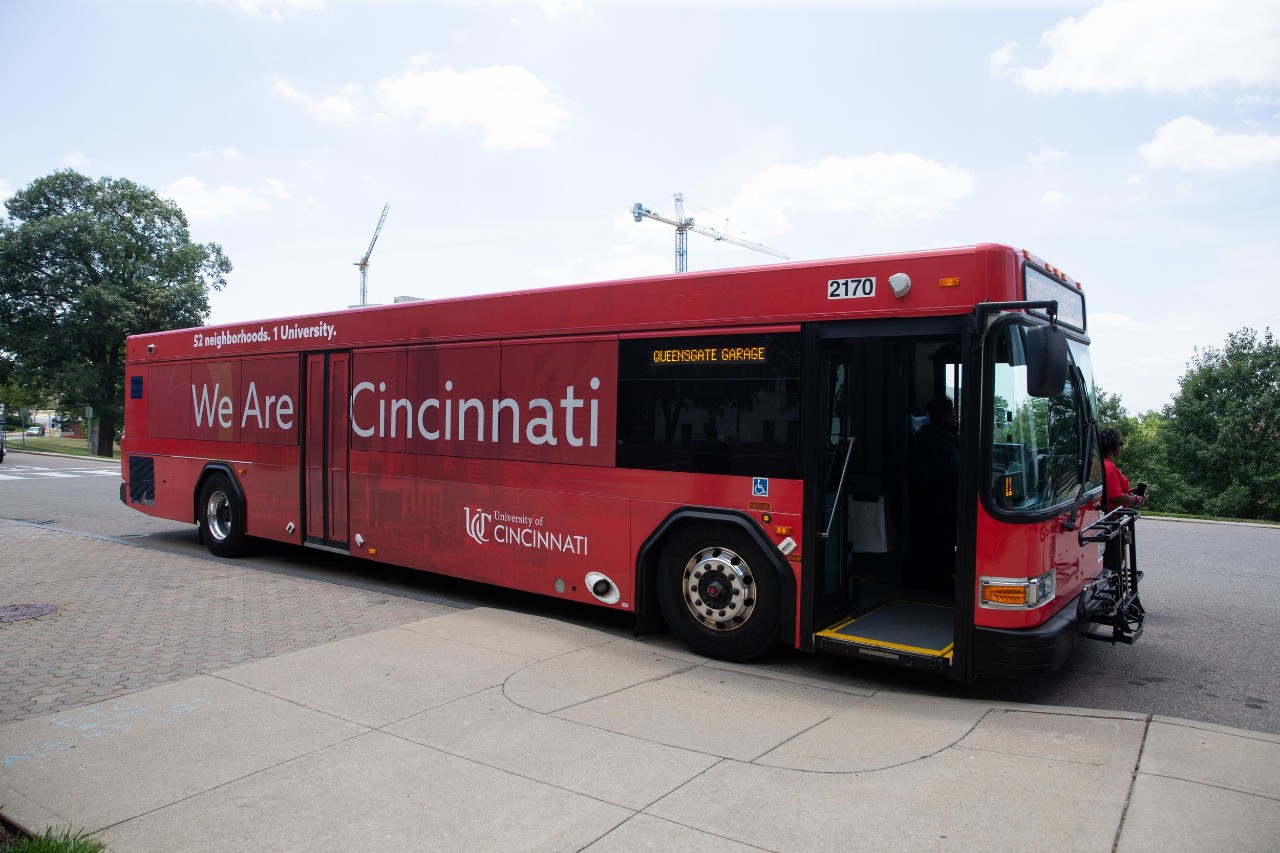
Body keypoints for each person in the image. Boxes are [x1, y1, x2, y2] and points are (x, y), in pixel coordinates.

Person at [1098, 428, 1146, 511]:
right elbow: (1116, 497)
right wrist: (1136, 499)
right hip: (1112, 515)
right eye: (1120, 444)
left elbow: (1109, 492)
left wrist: (1128, 493)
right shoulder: (1108, 467)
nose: (1120, 447)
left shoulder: (1102, 463)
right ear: (1111, 448)